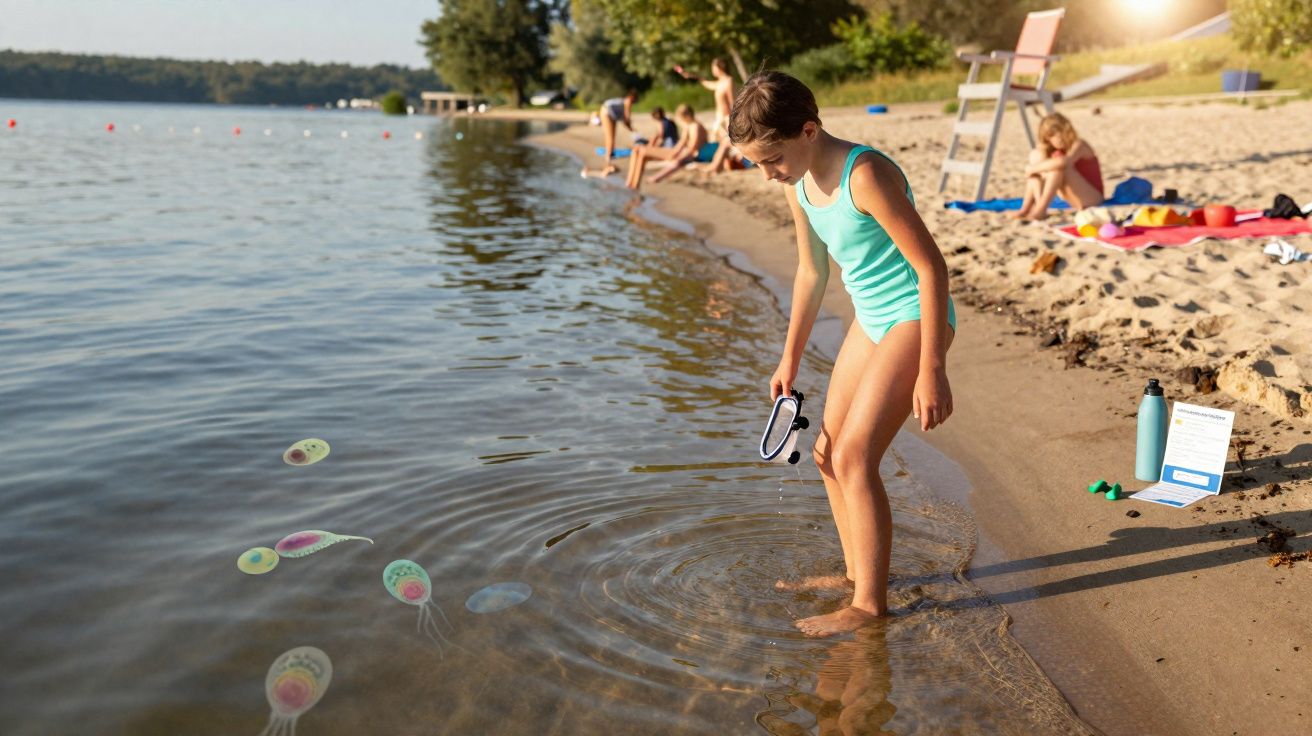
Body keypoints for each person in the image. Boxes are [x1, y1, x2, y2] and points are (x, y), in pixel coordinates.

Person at [727, 71, 957, 637]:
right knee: (828, 453)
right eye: (758, 163)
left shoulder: (867, 174)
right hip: (871, 319)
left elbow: (931, 269)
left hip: (913, 317)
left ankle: (870, 606)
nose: (767, 173)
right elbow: (811, 273)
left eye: (772, 158)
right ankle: (858, 575)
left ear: (809, 130)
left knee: (856, 458)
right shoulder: (797, 182)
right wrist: (789, 360)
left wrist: (932, 368)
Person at [1014, 112, 1104, 221]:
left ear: (1067, 130)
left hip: (1093, 198)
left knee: (1056, 168)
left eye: (1060, 132)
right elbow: (1036, 158)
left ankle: (1040, 210)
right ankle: (1026, 208)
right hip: (1074, 201)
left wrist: (1031, 168)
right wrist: (1042, 151)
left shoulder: (1079, 144)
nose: (1058, 138)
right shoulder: (1056, 151)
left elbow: (1064, 162)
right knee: (1038, 170)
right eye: (1051, 136)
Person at [625, 104, 707, 191]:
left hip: (686, 154)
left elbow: (693, 148)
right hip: (677, 151)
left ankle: (634, 186)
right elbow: (681, 143)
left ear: (686, 116)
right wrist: (675, 151)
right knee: (636, 150)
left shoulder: (695, 126)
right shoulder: (689, 126)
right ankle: (630, 184)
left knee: (641, 151)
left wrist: (677, 156)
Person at [675, 59, 735, 174]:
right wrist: (693, 76)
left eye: (713, 67)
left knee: (725, 143)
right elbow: (707, 83)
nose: (712, 70)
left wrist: (731, 120)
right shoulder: (719, 82)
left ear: (719, 68)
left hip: (725, 118)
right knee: (720, 143)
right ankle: (721, 166)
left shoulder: (728, 81)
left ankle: (721, 166)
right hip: (719, 118)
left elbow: (732, 102)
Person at [590, 89, 638, 177]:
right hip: (607, 113)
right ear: (632, 97)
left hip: (609, 113)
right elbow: (626, 118)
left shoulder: (623, 101)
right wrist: (633, 130)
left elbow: (625, 120)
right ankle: (607, 165)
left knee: (611, 140)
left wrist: (632, 130)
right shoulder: (627, 102)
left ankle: (608, 163)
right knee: (610, 140)